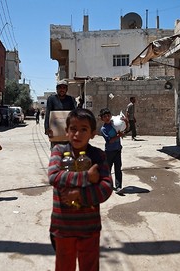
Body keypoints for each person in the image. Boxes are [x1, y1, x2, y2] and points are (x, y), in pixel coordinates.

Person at [48, 108, 113, 271]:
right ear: (67, 131)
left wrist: (79, 194)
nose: (77, 134)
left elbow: (106, 187)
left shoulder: (98, 156)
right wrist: (86, 177)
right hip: (63, 227)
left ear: (92, 133)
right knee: (64, 267)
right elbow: (54, 176)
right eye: (73, 129)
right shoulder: (59, 151)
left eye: (84, 129)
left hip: (89, 228)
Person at [99, 108, 125, 194]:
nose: (107, 118)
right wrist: (119, 136)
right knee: (108, 170)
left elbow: (123, 129)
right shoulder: (103, 129)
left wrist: (125, 122)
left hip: (117, 150)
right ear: (102, 118)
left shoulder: (115, 124)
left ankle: (118, 187)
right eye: (104, 116)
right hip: (109, 152)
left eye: (108, 116)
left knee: (118, 169)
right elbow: (109, 141)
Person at [44, 79, 77, 147]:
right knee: (56, 152)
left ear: (66, 89)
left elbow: (74, 114)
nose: (62, 90)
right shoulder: (51, 99)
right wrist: (47, 128)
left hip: (68, 131)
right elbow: (48, 114)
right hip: (55, 130)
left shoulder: (71, 99)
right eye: (60, 88)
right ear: (56, 89)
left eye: (64, 88)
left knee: (69, 152)